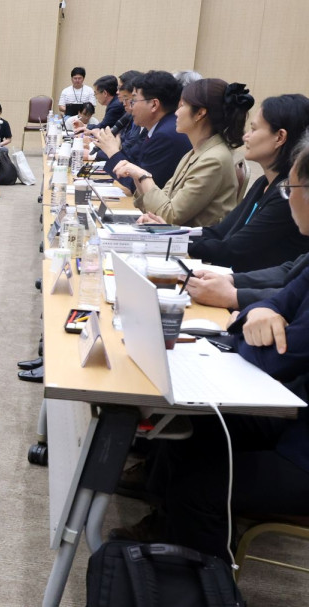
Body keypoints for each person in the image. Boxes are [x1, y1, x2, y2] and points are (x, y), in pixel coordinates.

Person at [121, 140, 309, 563]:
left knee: (197, 484)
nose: (287, 197)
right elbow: (276, 303)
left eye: (290, 190)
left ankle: (202, 581)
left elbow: (278, 356)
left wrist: (252, 322)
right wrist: (259, 311)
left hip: (301, 441)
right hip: (294, 409)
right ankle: (164, 534)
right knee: (194, 425)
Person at [181, 94, 309, 281]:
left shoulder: (288, 193)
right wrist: (168, 232)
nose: (245, 136)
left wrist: (170, 241)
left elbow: (232, 250)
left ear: (280, 137)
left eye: (254, 129)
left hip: (251, 292)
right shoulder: (264, 183)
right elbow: (219, 232)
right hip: (232, 282)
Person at [113, 78, 247, 227]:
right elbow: (162, 203)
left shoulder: (214, 159)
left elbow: (170, 216)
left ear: (200, 113)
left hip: (192, 246)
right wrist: (137, 178)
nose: (176, 113)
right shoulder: (197, 152)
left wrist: (142, 176)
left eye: (182, 106)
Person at [96, 70, 192, 193]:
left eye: (134, 100)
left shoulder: (165, 136)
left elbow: (140, 189)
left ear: (154, 105)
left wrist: (113, 152)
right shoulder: (161, 127)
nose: (131, 107)